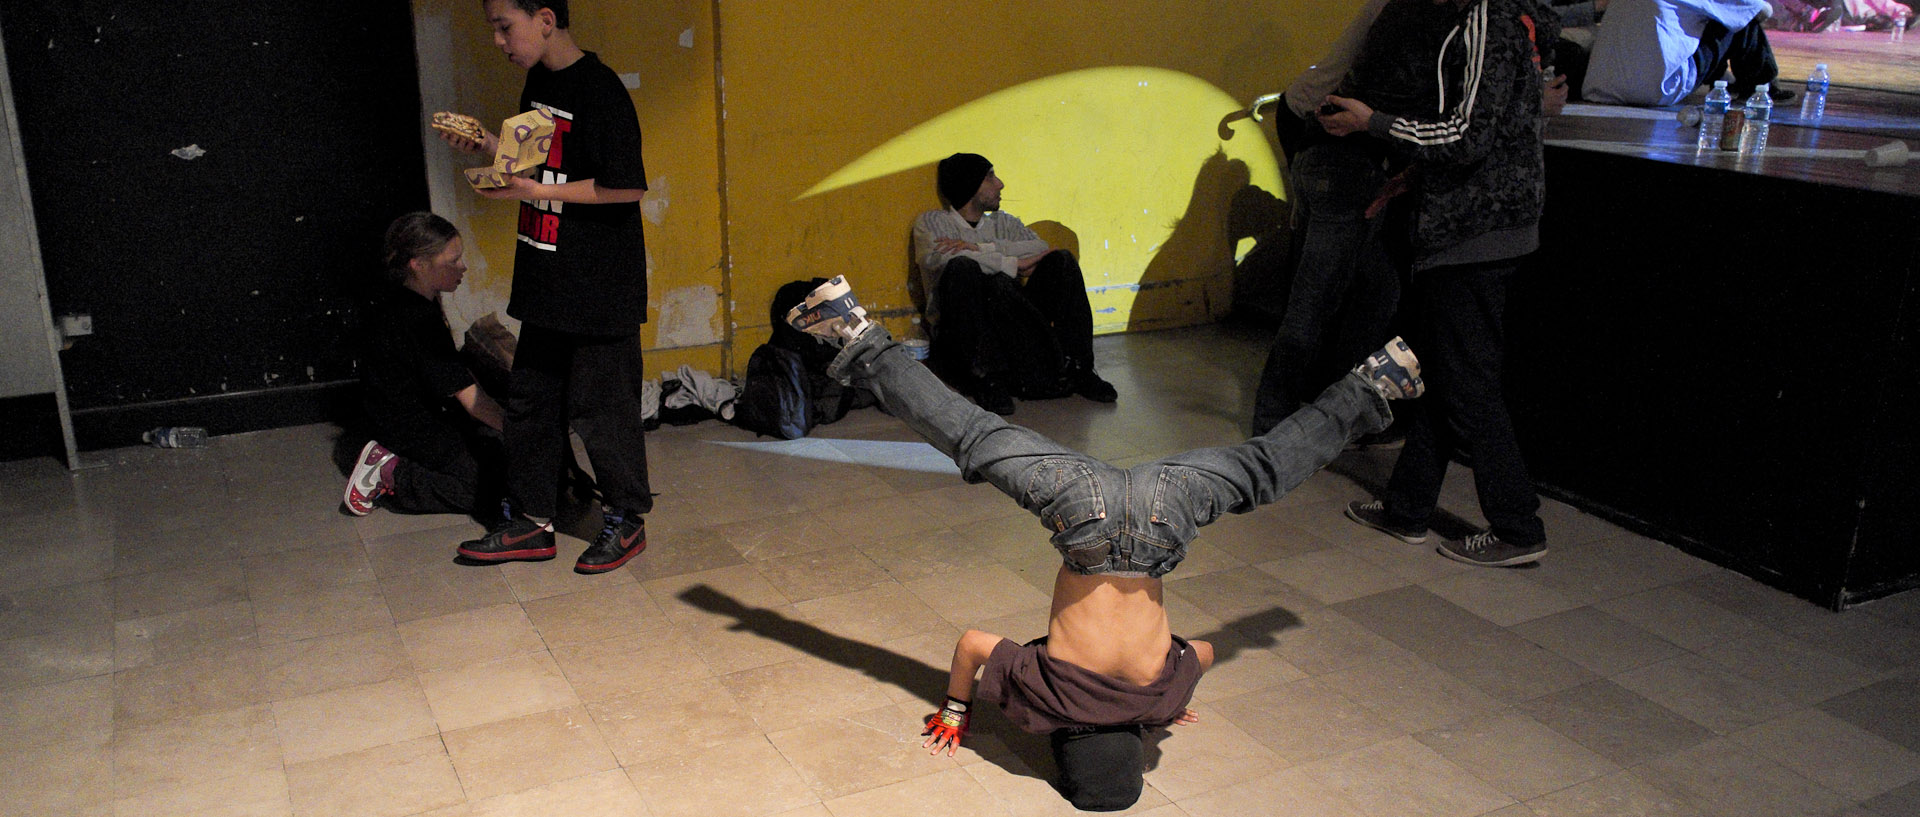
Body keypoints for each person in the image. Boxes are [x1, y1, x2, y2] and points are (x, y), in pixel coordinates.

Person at [784, 276, 1422, 811]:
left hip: (1163, 510)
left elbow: (1200, 650)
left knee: (1262, 469)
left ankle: (1375, 384)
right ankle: (854, 333)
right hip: (1080, 512)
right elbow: (973, 646)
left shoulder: (1165, 694)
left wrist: (1161, 704)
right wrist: (955, 711)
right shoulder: (1048, 697)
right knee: (973, 435)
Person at [1317, 0, 1557, 567]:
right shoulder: (1515, 17)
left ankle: (1518, 526)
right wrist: (1412, 178)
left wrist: (1369, 121)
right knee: (1447, 372)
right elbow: (1493, 128)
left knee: (1468, 383)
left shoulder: (1485, 19)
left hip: (1473, 229)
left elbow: (1465, 136)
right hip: (1491, 222)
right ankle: (1408, 507)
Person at [436, 0, 652, 575]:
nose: (500, 41)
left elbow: (625, 187)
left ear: (546, 19)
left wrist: (537, 195)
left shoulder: (603, 91)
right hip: (545, 269)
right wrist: (486, 145)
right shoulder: (536, 82)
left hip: (599, 281)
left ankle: (626, 519)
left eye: (506, 27)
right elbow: (528, 163)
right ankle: (533, 521)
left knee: (603, 409)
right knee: (531, 403)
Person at [911, 153, 1116, 416]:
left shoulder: (1004, 223)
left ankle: (1079, 368)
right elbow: (940, 258)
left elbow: (1040, 248)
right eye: (990, 177)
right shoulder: (932, 222)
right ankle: (985, 378)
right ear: (970, 184)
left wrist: (981, 248)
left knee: (1061, 260)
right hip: (963, 334)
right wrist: (1012, 264)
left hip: (1012, 320)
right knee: (963, 268)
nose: (1000, 184)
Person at [345, 213, 507, 518]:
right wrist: (520, 431)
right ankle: (389, 474)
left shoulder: (409, 299)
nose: (463, 267)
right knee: (482, 490)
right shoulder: (418, 318)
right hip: (407, 426)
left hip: (403, 412)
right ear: (418, 264)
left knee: (494, 459)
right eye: (453, 261)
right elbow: (470, 400)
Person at [1581, 0, 1791, 107]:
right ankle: (1762, 87)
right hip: (1654, 91)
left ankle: (1723, 82)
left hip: (1601, 87)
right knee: (1740, 20)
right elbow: (1759, 10)